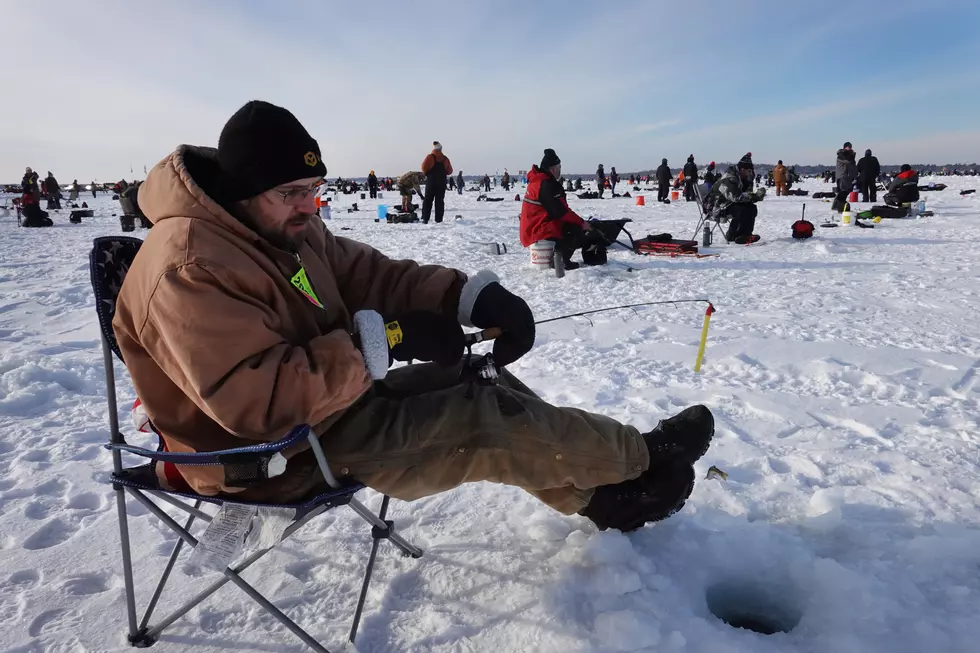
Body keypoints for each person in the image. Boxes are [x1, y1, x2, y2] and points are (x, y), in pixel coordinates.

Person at [111, 101, 714, 534]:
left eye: (314, 188)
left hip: (332, 413)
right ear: (242, 192)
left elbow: (373, 275)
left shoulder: (282, 229)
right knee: (479, 420)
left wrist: (472, 299)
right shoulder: (190, 264)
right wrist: (388, 340)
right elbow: (256, 402)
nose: (309, 206)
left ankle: (604, 499)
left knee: (482, 381)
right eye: (291, 192)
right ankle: (645, 460)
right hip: (268, 457)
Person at [520, 149, 597, 271]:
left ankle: (558, 257)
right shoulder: (547, 184)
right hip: (538, 229)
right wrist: (582, 223)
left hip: (533, 227)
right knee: (573, 228)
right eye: (559, 167)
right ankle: (561, 261)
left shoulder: (538, 181)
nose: (560, 170)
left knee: (571, 224)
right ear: (552, 168)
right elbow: (561, 212)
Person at [705, 153, 765, 244]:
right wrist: (756, 196)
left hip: (726, 203)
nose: (750, 173)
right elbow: (736, 197)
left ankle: (745, 234)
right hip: (715, 206)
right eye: (749, 171)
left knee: (751, 207)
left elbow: (744, 194)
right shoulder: (729, 178)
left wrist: (749, 182)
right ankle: (733, 235)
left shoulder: (740, 177)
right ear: (742, 169)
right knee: (741, 210)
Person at [421, 141, 452, 224]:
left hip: (431, 182)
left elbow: (423, 167)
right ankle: (439, 219)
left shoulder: (430, 157)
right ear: (441, 149)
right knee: (439, 201)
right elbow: (450, 171)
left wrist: (427, 173)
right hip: (441, 183)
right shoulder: (445, 159)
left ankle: (425, 218)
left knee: (428, 200)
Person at [834, 142, 858, 212]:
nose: (850, 148)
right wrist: (853, 155)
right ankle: (839, 207)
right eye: (848, 147)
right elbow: (847, 161)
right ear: (845, 147)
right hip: (842, 176)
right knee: (843, 192)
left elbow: (852, 165)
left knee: (846, 191)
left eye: (850, 147)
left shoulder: (849, 155)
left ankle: (839, 206)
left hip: (848, 177)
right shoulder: (841, 154)